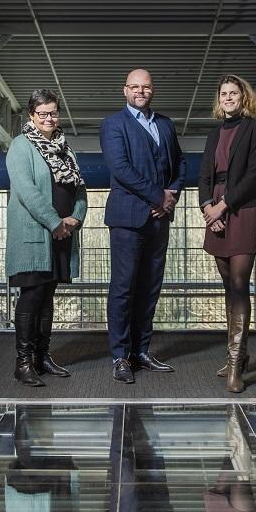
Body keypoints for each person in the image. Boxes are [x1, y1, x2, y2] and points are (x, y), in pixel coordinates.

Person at [100, 69, 186, 383]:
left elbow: (181, 162)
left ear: (153, 90)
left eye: (146, 86)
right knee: (123, 289)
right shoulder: (113, 125)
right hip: (127, 218)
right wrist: (157, 196)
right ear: (125, 90)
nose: (140, 91)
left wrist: (171, 195)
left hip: (159, 219)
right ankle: (120, 356)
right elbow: (120, 168)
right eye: (135, 86)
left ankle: (142, 351)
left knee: (150, 287)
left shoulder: (165, 123)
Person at [6, 89, 88, 387]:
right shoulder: (21, 146)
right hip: (35, 234)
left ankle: (42, 357)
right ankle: (23, 363)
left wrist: (76, 217)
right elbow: (27, 191)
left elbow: (79, 188)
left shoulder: (66, 148)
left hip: (62, 234)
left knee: (48, 296)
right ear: (32, 116)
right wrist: (54, 221)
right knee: (32, 295)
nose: (49, 118)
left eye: (53, 113)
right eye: (43, 114)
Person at [198, 74, 256, 393]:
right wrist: (207, 209)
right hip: (216, 209)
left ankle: (236, 363)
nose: (228, 97)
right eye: (223, 93)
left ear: (244, 97)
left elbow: (254, 176)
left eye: (233, 93)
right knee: (228, 284)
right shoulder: (214, 134)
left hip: (243, 207)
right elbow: (203, 175)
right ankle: (234, 357)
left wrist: (223, 206)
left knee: (240, 283)